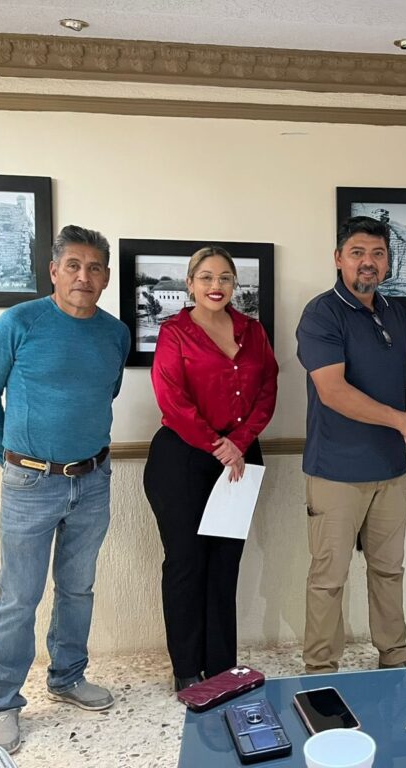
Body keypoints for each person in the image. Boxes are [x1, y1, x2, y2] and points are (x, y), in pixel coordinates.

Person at [0, 225, 130, 754]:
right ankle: (2, 703)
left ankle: (67, 676)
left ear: (106, 277)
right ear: (54, 271)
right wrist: (11, 460)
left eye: (95, 267)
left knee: (78, 588)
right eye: (74, 266)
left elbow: (105, 392)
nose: (84, 276)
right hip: (30, 483)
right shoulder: (19, 322)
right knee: (19, 596)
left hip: (93, 479)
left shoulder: (115, 333)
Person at [296, 215, 406, 674]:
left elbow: (402, 377)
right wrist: (402, 421)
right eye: (357, 253)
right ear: (339, 259)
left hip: (391, 469)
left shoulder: (396, 313)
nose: (368, 262)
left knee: (389, 570)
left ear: (388, 261)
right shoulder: (321, 314)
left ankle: (395, 656)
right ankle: (320, 668)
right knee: (329, 578)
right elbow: (332, 391)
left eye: (378, 254)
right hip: (336, 470)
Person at [143, 246, 278, 691]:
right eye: (206, 277)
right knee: (186, 563)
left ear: (234, 284)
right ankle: (186, 669)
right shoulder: (174, 332)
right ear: (190, 284)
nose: (215, 286)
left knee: (224, 564)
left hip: (241, 457)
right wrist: (218, 446)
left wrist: (239, 442)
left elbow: (268, 387)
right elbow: (171, 398)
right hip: (182, 458)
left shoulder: (253, 331)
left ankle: (221, 666)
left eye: (224, 278)